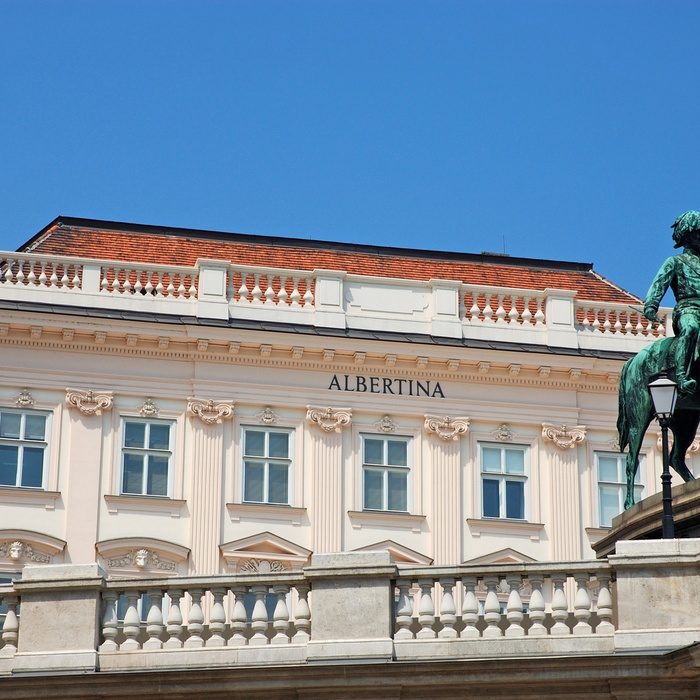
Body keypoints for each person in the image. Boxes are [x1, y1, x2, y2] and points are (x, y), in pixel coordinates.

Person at [644, 210, 700, 396]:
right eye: (698, 232)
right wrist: (651, 305)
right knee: (691, 328)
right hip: (687, 308)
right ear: (687, 235)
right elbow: (659, 284)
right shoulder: (675, 262)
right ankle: (682, 376)